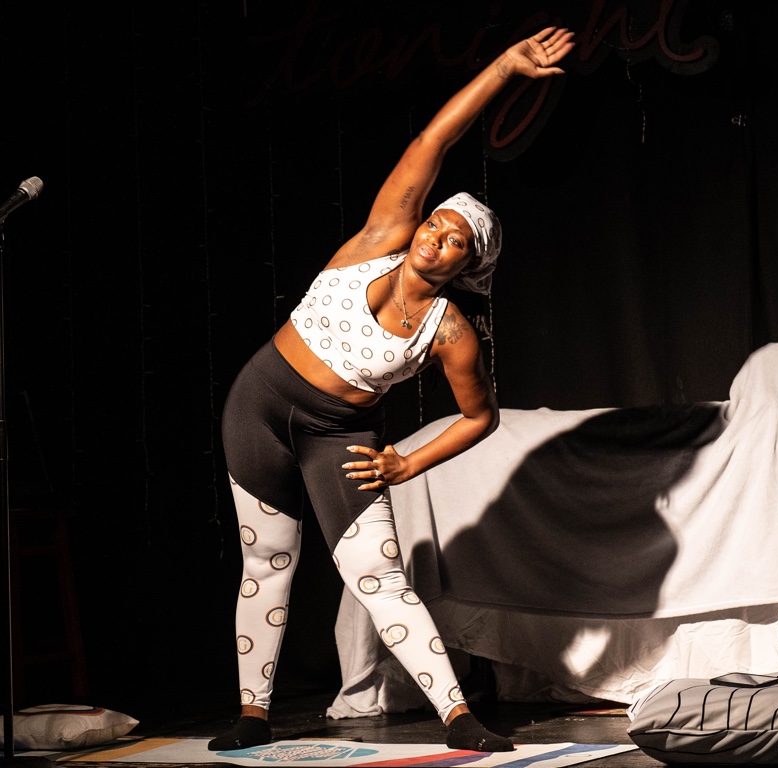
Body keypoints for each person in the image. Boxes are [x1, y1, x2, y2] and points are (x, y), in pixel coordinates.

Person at [211, 26, 576, 753]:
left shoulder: (451, 333)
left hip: (339, 432)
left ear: (468, 265)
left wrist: (407, 463)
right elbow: (433, 141)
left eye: (454, 240)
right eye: (436, 223)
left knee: (378, 574)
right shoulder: (380, 237)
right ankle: (252, 713)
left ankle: (458, 718)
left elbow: (480, 416)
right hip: (259, 407)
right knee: (268, 563)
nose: (434, 237)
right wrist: (503, 67)